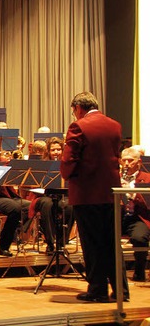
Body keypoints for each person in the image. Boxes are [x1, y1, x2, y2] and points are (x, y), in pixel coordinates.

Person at [60, 91, 128, 302]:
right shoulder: (114, 125)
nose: (75, 115)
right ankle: (121, 291)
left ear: (78, 108)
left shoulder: (78, 126)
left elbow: (69, 158)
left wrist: (66, 174)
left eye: (74, 112)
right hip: (111, 193)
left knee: (93, 243)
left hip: (87, 193)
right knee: (112, 242)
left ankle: (97, 290)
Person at [119, 147, 150, 282]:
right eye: (124, 160)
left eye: (130, 161)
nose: (126, 164)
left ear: (139, 162)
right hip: (117, 216)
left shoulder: (147, 178)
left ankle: (139, 271)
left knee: (140, 238)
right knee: (103, 235)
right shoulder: (115, 177)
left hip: (137, 217)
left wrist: (133, 194)